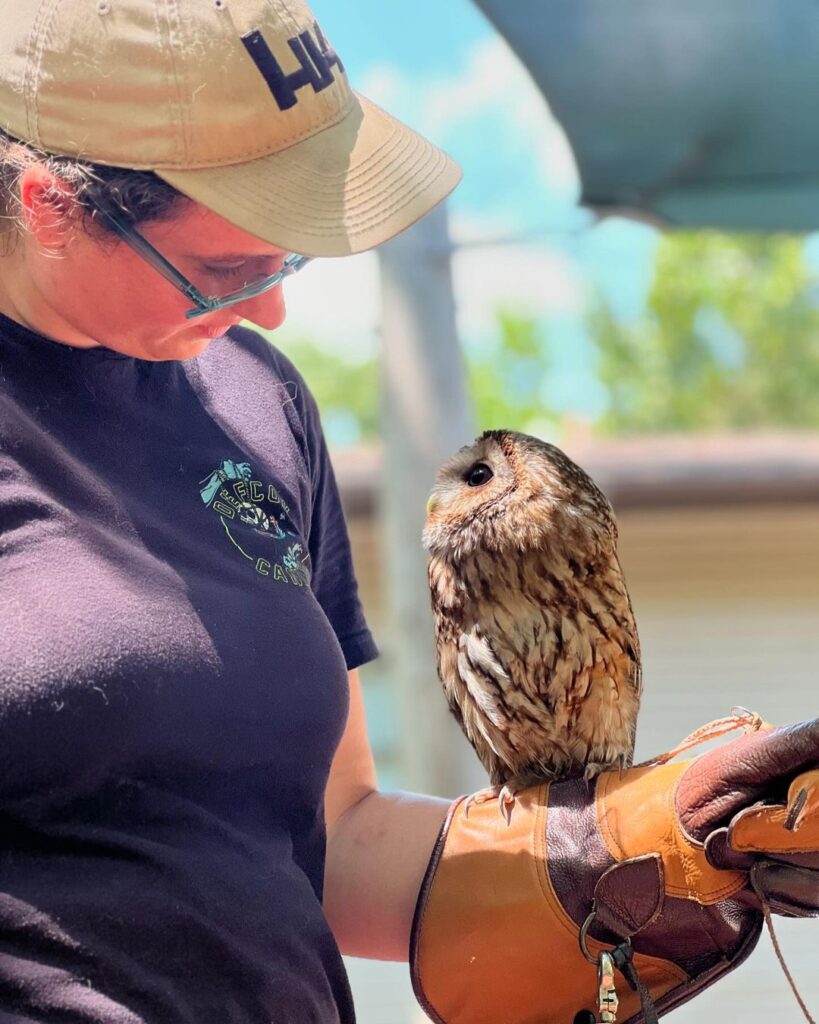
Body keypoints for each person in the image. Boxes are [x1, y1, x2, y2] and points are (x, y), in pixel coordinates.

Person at [0, 2, 816, 1023]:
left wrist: (626, 842)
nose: (271, 312)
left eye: (287, 258)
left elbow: (330, 835)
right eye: (227, 270)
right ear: (49, 206)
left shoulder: (254, 402)